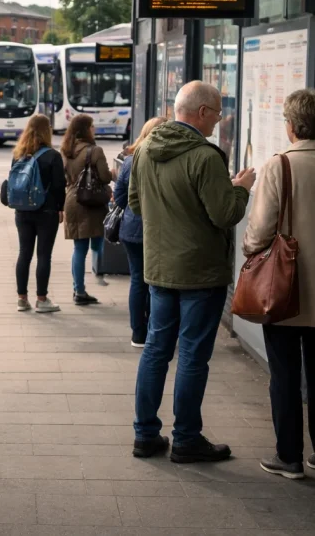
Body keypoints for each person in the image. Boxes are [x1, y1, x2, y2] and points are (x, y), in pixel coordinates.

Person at [129, 81, 256, 463]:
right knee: (192, 357)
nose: (219, 120)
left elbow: (135, 203)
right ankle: (185, 439)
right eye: (217, 113)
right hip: (200, 272)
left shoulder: (147, 147)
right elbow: (226, 213)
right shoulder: (205, 156)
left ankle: (145, 436)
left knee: (155, 350)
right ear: (201, 112)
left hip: (159, 269)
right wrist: (241, 188)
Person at [243, 89, 315, 479]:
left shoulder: (280, 166)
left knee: (285, 371)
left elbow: (259, 231)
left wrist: (248, 249)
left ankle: (289, 456)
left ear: (292, 126)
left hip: (287, 286)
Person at [113, 117, 166, 348]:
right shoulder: (167, 162)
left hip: (131, 228)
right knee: (157, 282)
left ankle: (138, 334)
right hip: (159, 230)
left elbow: (120, 197)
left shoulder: (130, 161)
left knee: (137, 280)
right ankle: (156, 332)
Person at [11, 113, 67, 313]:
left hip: (22, 210)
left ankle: (22, 299)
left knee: (24, 253)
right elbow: (60, 185)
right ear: (47, 131)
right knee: (44, 255)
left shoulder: (18, 154)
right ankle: (42, 300)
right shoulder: (53, 156)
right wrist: (61, 208)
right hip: (47, 212)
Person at [61, 113, 112, 305]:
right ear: (85, 130)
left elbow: (64, 178)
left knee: (79, 248)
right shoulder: (94, 151)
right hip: (91, 202)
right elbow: (105, 177)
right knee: (95, 244)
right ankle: (88, 282)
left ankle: (79, 290)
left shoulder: (66, 151)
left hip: (72, 200)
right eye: (92, 126)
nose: (94, 129)